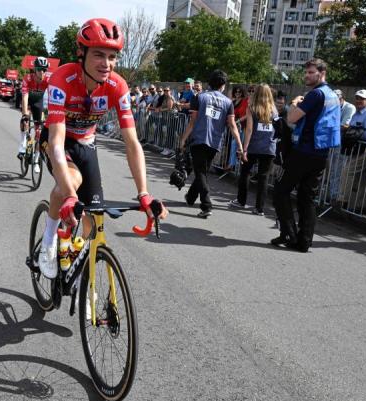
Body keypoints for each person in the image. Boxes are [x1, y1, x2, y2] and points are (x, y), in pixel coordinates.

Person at [36, 18, 168, 279]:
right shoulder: (63, 78)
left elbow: (132, 142)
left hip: (87, 143)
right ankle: (49, 241)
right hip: (59, 141)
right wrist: (70, 195)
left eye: (112, 56)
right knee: (70, 184)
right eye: (98, 54)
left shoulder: (117, 86)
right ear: (81, 54)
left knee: (93, 221)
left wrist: (143, 194)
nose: (105, 64)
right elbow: (56, 141)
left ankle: (87, 290)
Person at [272, 58, 341, 252]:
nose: (307, 76)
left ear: (322, 73)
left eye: (311, 72)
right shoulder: (332, 95)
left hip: (304, 150)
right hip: (321, 152)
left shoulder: (316, 94)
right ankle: (304, 241)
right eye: (307, 72)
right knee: (307, 197)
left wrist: (294, 103)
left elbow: (291, 117)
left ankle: (289, 234)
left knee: (280, 191)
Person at [177, 70, 243, 218]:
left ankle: (206, 205)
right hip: (215, 142)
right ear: (223, 85)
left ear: (209, 83)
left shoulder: (200, 97)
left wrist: (183, 139)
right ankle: (191, 197)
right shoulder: (228, 102)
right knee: (202, 172)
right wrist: (240, 144)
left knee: (200, 172)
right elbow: (232, 125)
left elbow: (192, 122)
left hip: (199, 139)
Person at [230, 84, 277, 215]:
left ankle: (241, 200)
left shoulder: (252, 108)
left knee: (245, 173)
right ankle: (259, 208)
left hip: (254, 146)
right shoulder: (274, 110)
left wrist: (244, 149)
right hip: (269, 148)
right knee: (264, 178)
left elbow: (249, 130)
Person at [336, 89, 366, 210]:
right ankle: (362, 206)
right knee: (362, 177)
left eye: (362, 99)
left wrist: (350, 131)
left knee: (348, 170)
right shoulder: (356, 113)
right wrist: (350, 130)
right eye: (357, 98)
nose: (358, 101)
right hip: (358, 148)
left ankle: (342, 201)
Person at [18, 56, 50, 168]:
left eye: (44, 70)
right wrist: (25, 115)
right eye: (40, 69)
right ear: (35, 69)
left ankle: (36, 160)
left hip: (38, 103)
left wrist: (51, 115)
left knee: (39, 132)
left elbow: (51, 99)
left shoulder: (47, 80)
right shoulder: (28, 78)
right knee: (25, 120)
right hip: (28, 101)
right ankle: (22, 145)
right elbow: (25, 97)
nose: (42, 72)